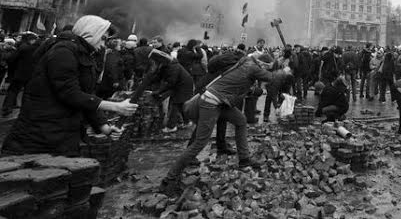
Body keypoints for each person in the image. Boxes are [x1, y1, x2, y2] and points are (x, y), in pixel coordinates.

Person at [1, 16, 137, 156]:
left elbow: (86, 97)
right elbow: (70, 93)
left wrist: (105, 127)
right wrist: (115, 106)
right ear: (90, 33)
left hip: (61, 132)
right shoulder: (63, 51)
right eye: (102, 38)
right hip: (40, 133)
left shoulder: (83, 54)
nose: (103, 44)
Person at [159, 54, 291, 196]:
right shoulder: (251, 66)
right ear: (262, 63)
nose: (266, 69)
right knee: (200, 142)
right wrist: (284, 71)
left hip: (222, 101)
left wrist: (253, 90)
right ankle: (169, 180)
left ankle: (244, 159)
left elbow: (238, 85)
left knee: (240, 121)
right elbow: (272, 78)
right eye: (266, 66)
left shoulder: (246, 65)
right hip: (212, 101)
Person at [149, 50, 195, 133]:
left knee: (175, 104)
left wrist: (159, 91)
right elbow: (159, 76)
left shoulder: (173, 66)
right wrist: (150, 81)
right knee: (180, 105)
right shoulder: (166, 64)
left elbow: (170, 82)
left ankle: (171, 126)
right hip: (181, 84)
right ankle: (187, 122)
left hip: (183, 86)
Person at [1, 32, 40, 116]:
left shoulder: (23, 47)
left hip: (19, 73)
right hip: (31, 74)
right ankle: (25, 109)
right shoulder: (38, 49)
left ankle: (7, 107)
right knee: (26, 92)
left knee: (13, 90)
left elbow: (12, 58)